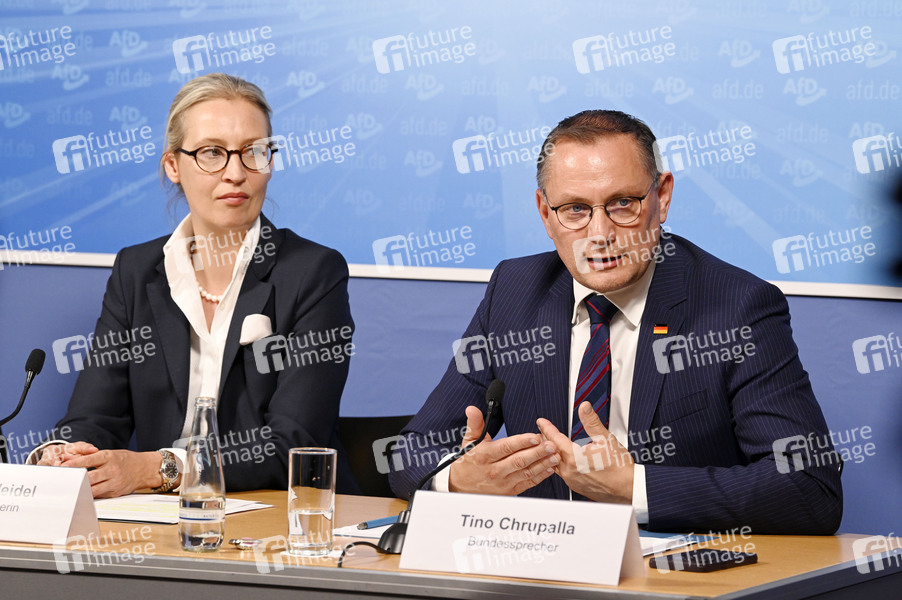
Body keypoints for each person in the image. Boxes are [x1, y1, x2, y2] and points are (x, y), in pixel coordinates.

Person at [389, 110, 842, 534]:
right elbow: (410, 451)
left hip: (667, 573)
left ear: (662, 197)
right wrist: (458, 479)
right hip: (538, 564)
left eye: (623, 203)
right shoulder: (515, 290)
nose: (600, 234)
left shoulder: (736, 306)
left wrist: (633, 488)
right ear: (545, 213)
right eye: (575, 209)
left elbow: (811, 486)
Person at [31, 73, 358, 497]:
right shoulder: (136, 270)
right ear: (173, 165)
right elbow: (95, 417)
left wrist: (160, 468)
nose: (236, 173)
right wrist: (66, 454)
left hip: (277, 513)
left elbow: (293, 443)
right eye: (212, 153)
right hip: (161, 516)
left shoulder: (313, 272)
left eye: (253, 152)